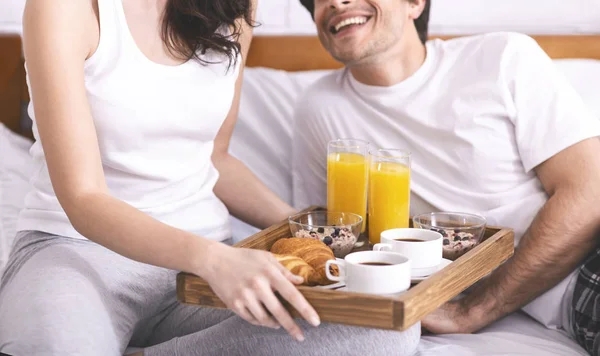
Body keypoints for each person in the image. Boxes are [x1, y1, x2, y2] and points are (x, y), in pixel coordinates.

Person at [0, 0, 421, 355]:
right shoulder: (65, 8)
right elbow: (83, 198)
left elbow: (215, 159)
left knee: (387, 330)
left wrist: (308, 229)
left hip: (200, 279)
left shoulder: (233, 6)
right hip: (78, 256)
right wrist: (213, 259)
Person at [293, 0, 600, 354]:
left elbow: (591, 194)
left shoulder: (502, 57)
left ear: (414, 4)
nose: (334, 1)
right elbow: (333, 243)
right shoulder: (318, 109)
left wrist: (476, 309)